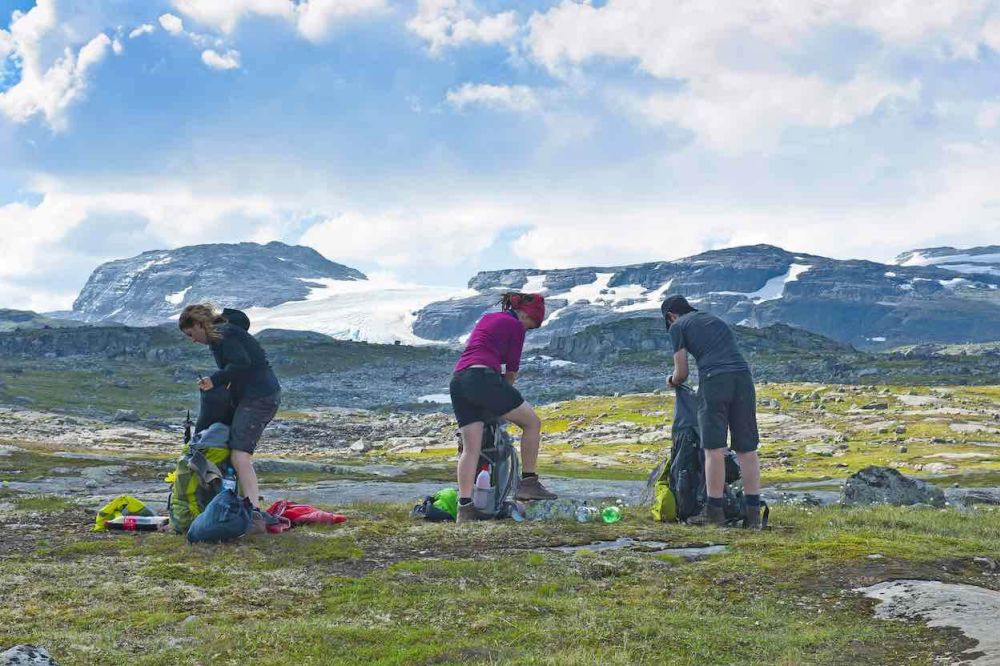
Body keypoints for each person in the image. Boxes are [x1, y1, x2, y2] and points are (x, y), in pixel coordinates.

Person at [449, 292, 557, 523]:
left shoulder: (489, 319)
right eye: (531, 325)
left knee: (471, 449)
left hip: (459, 380)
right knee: (532, 423)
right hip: (483, 377)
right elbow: (511, 369)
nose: (528, 330)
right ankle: (528, 482)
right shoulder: (514, 325)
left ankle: (465, 508)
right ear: (526, 315)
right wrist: (504, 398)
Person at [662, 295, 763, 528]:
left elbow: (682, 372)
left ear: (670, 316)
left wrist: (672, 380)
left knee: (714, 448)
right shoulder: (713, 319)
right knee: (747, 448)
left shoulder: (677, 326)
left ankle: (714, 513)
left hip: (715, 380)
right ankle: (753, 516)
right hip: (743, 379)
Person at [179, 304, 282, 519]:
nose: (192, 339)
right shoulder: (222, 334)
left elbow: (241, 364)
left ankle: (253, 511)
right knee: (228, 448)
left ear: (199, 324)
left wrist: (214, 379)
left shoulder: (225, 334)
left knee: (240, 455)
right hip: (252, 396)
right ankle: (236, 502)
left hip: (260, 397)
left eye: (191, 334)